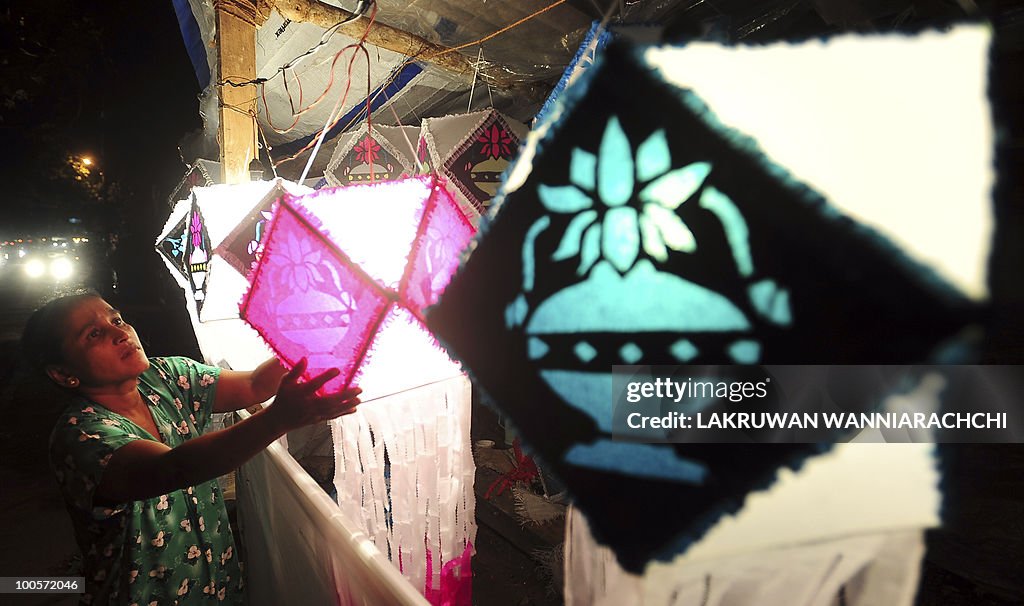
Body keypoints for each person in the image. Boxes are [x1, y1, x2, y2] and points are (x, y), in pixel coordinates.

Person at [21, 290, 362, 606]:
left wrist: (318, 329)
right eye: (93, 334)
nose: (120, 333)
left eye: (117, 320)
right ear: (64, 374)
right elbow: (174, 468)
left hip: (217, 586)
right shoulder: (82, 436)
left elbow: (255, 384)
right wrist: (278, 419)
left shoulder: (166, 376)